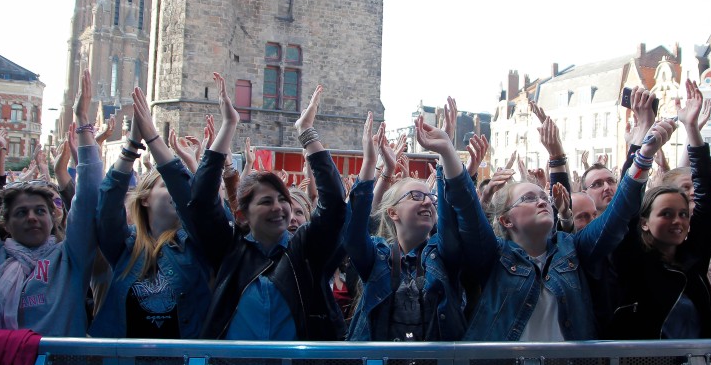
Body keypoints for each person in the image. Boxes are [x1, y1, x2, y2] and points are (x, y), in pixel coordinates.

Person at [464, 115, 674, 341]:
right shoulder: (493, 256)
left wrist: (644, 157)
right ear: (506, 220)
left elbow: (618, 214)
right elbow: (465, 215)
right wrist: (453, 161)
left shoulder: (573, 249)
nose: (543, 201)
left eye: (543, 197)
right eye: (529, 198)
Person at [188, 76, 348, 340]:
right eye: (266, 201)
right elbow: (201, 202)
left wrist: (307, 132)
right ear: (242, 214)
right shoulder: (229, 249)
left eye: (282, 199)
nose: (278, 207)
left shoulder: (304, 248)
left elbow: (334, 205)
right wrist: (228, 126)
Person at [0, 69, 101, 336]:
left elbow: (88, 199)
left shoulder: (70, 258)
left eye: (40, 210)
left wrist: (83, 121)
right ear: (5, 223)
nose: (31, 217)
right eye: (21, 212)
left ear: (54, 217)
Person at [343, 108, 491, 341]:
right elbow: (352, 233)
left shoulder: (443, 255)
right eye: (416, 196)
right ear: (392, 212)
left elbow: (450, 219)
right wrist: (370, 163)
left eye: (430, 198)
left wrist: (445, 154)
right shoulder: (377, 257)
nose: (428, 203)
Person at [90, 87, 212, 338]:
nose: (175, 193)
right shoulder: (125, 247)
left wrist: (154, 139)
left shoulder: (195, 245)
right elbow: (107, 208)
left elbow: (190, 201)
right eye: (164, 186)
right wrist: (132, 146)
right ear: (145, 198)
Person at [608, 79, 711, 339]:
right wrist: (641, 145)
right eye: (666, 214)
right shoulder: (631, 256)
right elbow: (624, 204)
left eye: (683, 214)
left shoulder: (693, 257)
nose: (678, 221)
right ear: (644, 221)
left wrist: (692, 129)